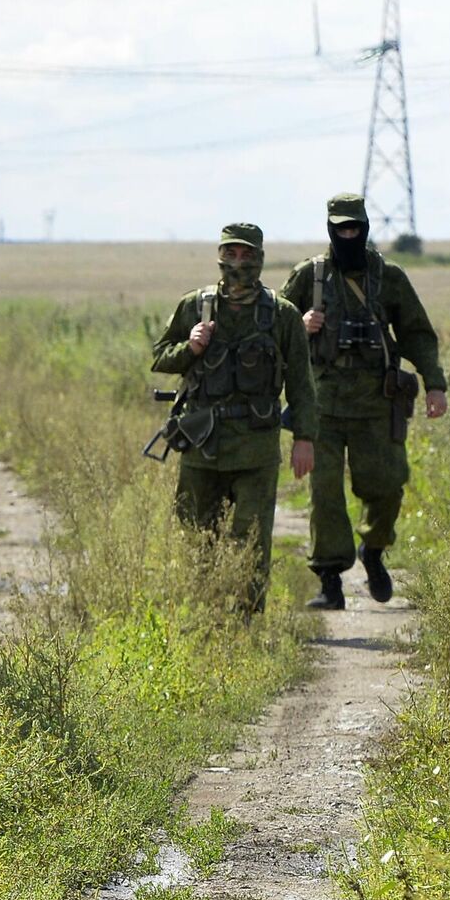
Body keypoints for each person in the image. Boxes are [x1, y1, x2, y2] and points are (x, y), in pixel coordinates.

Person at [279, 193, 448, 610]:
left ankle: (373, 551)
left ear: (366, 227)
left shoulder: (387, 276)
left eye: (355, 227)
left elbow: (417, 333)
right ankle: (330, 581)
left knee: (388, 486)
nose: (348, 234)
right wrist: (301, 326)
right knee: (326, 494)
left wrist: (435, 384)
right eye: (341, 228)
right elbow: (276, 333)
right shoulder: (309, 276)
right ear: (330, 229)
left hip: (377, 404)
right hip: (322, 408)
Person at [150, 223, 317, 613]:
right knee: (196, 535)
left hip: (255, 444)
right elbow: (160, 356)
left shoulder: (282, 314)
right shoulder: (195, 305)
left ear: (259, 258)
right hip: (202, 442)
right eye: (230, 254)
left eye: (246, 255)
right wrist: (189, 347)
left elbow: (301, 383)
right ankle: (203, 614)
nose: (237, 263)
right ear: (219, 256)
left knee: (252, 538)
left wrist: (304, 438)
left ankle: (245, 622)